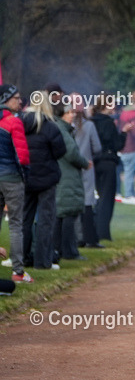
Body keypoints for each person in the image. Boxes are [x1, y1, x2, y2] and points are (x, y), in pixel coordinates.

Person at [21, 91, 67, 270]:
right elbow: (60, 152)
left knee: (25, 219)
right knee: (45, 221)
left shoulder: (21, 124)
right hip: (47, 178)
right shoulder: (50, 127)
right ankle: (42, 261)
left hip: (26, 177)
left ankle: (23, 258)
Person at [0, 84, 32, 283]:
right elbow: (23, 156)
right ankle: (18, 272)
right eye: (16, 98)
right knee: (15, 225)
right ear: (5, 99)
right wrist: (25, 175)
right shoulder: (13, 122)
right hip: (11, 178)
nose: (20, 101)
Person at [53, 103, 90, 261]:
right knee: (68, 214)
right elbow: (71, 153)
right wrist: (84, 162)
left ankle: (60, 249)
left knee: (63, 214)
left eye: (74, 112)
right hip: (67, 177)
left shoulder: (61, 129)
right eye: (69, 112)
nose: (73, 115)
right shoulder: (62, 130)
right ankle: (69, 251)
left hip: (64, 175)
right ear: (62, 114)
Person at [69, 95, 103, 248]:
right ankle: (89, 238)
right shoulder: (88, 126)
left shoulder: (64, 125)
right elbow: (97, 148)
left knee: (72, 201)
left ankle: (76, 238)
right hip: (87, 166)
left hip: (69, 169)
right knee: (88, 202)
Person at [92, 96, 127, 242]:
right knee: (107, 198)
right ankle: (103, 232)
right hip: (108, 162)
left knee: (98, 197)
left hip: (94, 162)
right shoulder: (109, 123)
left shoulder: (91, 122)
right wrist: (124, 133)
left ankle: (94, 229)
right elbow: (117, 145)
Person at [118, 95, 135, 198]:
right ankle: (129, 194)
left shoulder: (123, 114)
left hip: (123, 146)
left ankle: (129, 193)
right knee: (129, 172)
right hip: (131, 147)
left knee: (127, 171)